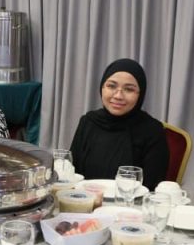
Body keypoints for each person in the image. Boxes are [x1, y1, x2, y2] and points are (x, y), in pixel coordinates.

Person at [68, 58, 169, 189]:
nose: (118, 96)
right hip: (85, 199)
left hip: (131, 202)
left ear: (140, 94)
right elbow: (72, 174)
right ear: (102, 87)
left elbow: (151, 188)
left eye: (129, 89)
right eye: (111, 86)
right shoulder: (88, 121)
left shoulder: (153, 131)